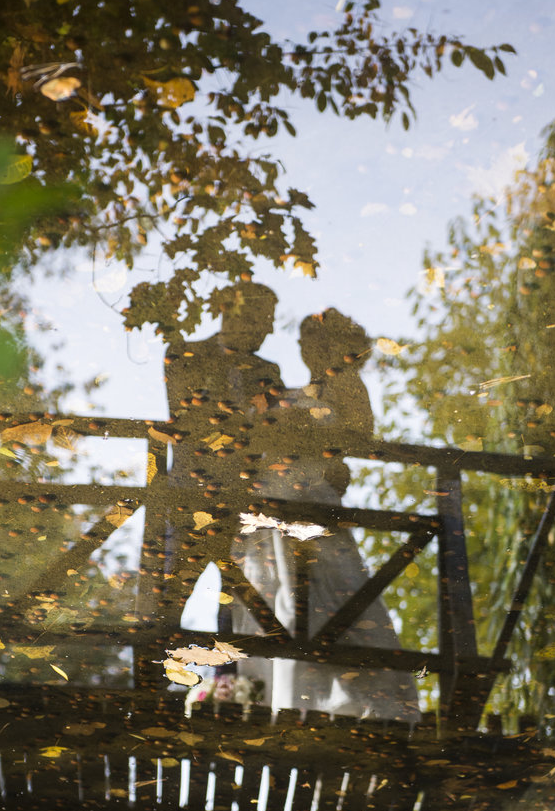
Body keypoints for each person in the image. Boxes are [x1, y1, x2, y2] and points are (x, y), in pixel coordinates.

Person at [232, 308, 420, 723]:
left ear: (334, 346)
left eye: (313, 342)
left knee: (326, 594)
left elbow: (353, 437)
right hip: (273, 498)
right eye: (303, 342)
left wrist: (286, 419)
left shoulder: (346, 387)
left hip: (306, 498)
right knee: (277, 593)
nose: (305, 349)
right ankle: (275, 697)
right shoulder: (307, 389)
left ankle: (329, 699)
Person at [160, 283, 285, 631]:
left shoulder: (269, 372)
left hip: (244, 502)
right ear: (233, 312)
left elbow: (271, 430)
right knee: (167, 601)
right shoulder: (184, 355)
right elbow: (192, 418)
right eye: (264, 318)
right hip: (189, 495)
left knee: (240, 605)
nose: (269, 329)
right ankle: (156, 662)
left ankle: (229, 666)